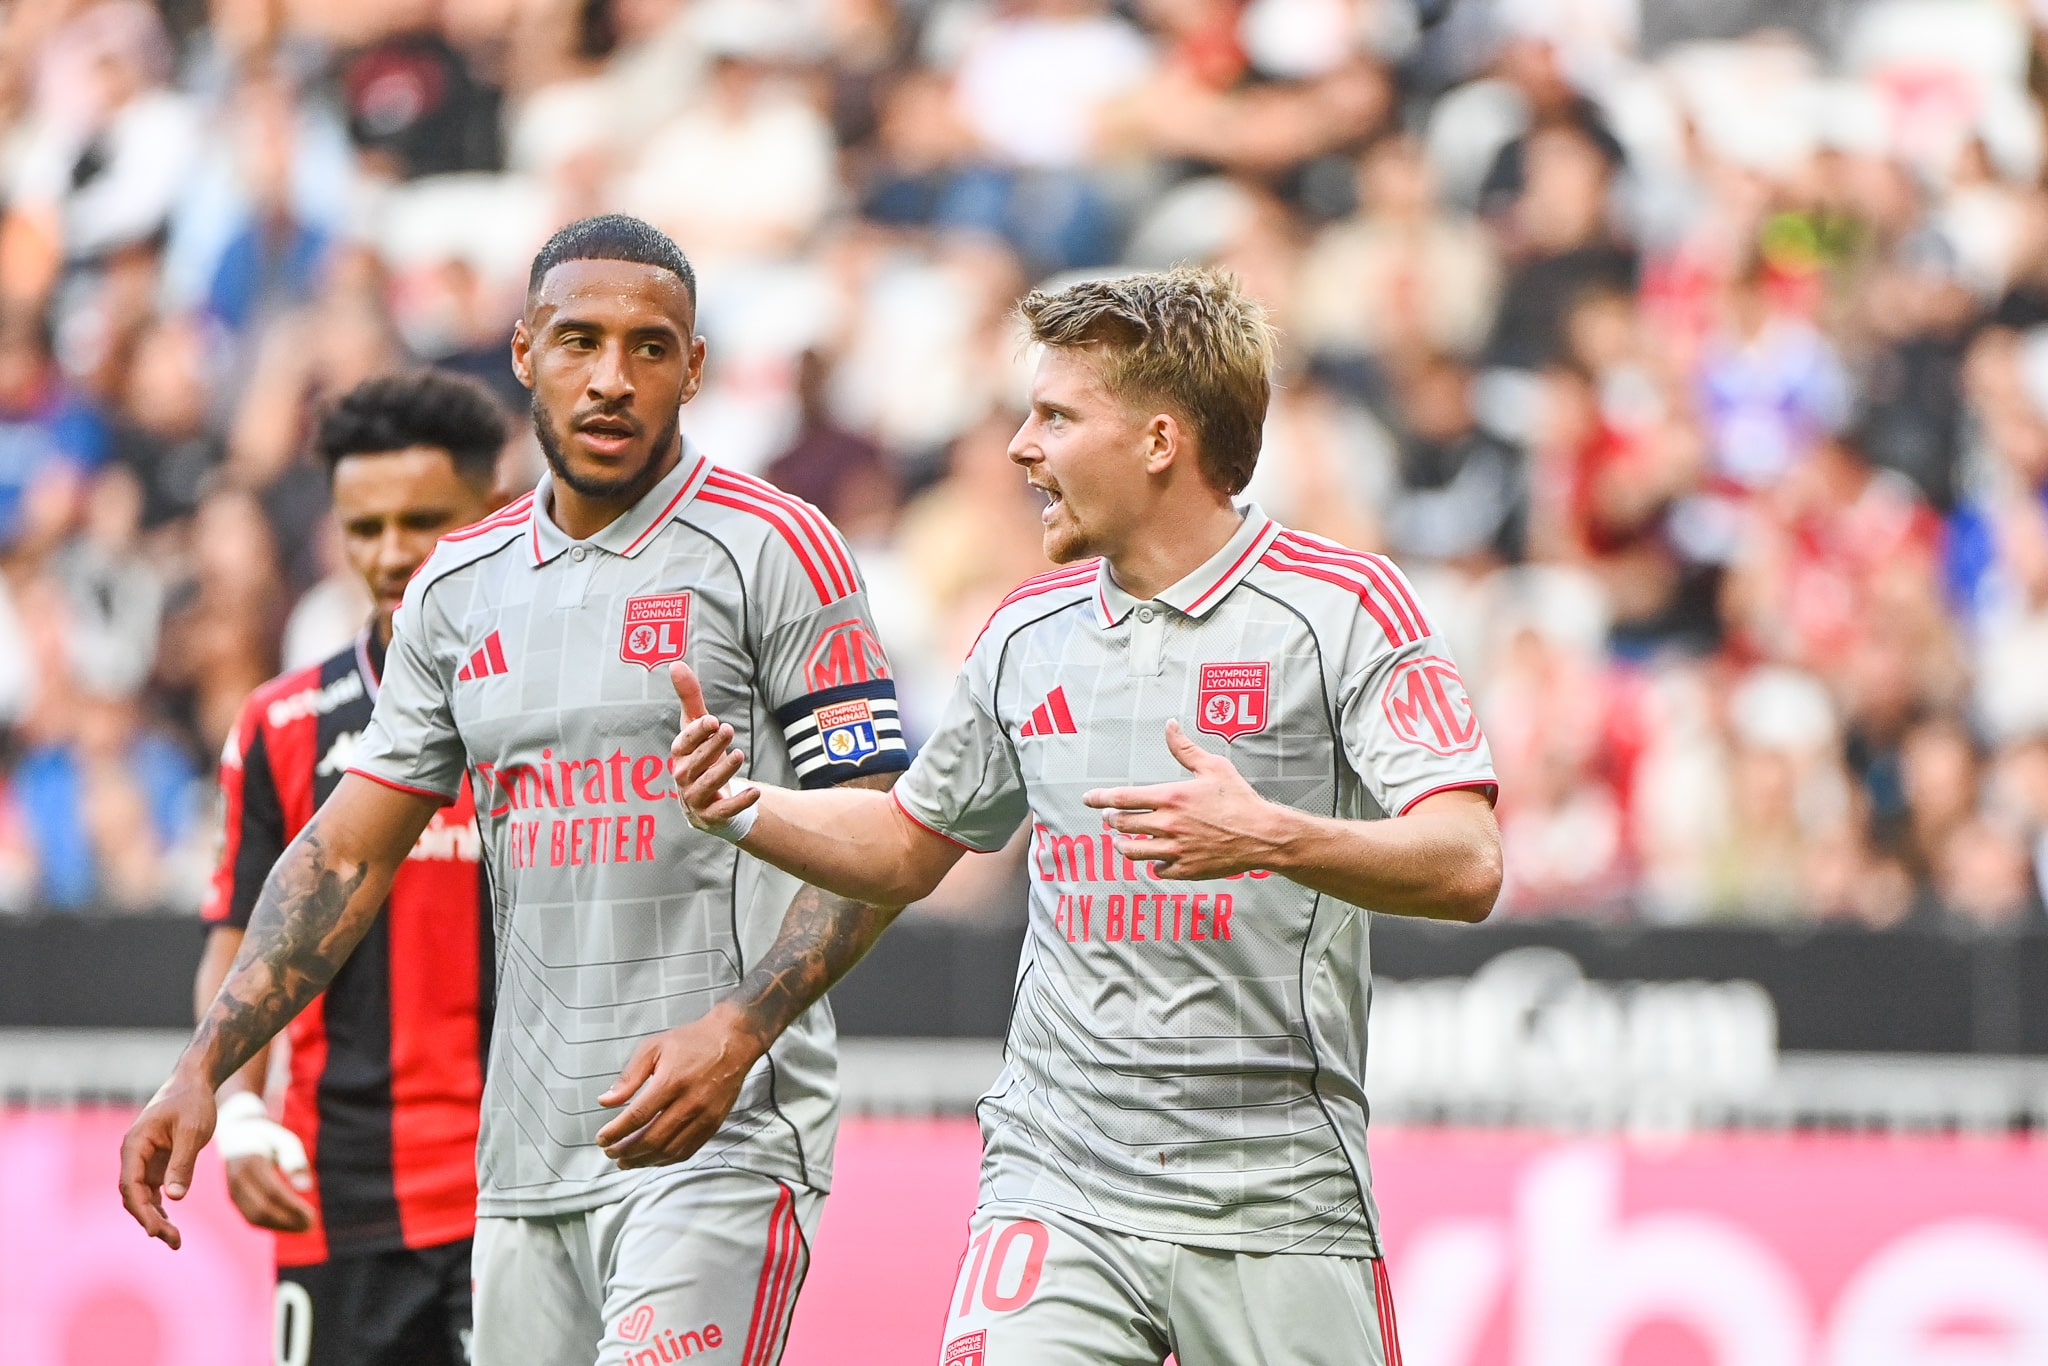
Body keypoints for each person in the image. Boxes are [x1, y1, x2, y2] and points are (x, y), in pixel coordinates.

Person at [668, 267, 1504, 1366]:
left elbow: (1468, 861)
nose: (1022, 447)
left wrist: (1270, 835)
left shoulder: (1340, 608)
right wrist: (744, 806)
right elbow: (908, 847)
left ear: (1159, 441)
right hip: (1054, 1187)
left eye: (1056, 417)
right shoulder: (1026, 632)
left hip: (1275, 1196)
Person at [120, 215, 909, 1366]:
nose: (611, 377)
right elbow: (347, 853)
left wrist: (743, 1028)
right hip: (524, 1166)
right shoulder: (458, 584)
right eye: (580, 340)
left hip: (719, 1143)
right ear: (524, 351)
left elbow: (882, 832)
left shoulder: (777, 547)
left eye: (649, 347)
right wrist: (206, 1068)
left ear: (694, 368)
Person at [194, 369, 505, 1364]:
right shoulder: (282, 724)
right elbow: (236, 941)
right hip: (340, 1194)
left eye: (424, 521)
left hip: (525, 1188)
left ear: (493, 512)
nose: (391, 552)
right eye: (364, 527)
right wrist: (239, 1107)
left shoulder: (554, 714)